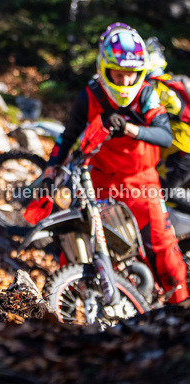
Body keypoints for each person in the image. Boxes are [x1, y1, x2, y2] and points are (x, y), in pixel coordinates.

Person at [43, 23, 188, 304]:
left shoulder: (146, 94)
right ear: (104, 68)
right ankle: (69, 307)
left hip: (142, 184)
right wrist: (51, 168)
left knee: (163, 249)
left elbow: (163, 133)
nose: (123, 83)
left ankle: (180, 310)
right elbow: (68, 135)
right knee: (77, 241)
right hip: (99, 181)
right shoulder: (90, 94)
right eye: (117, 75)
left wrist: (130, 129)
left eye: (129, 75)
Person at [145, 37, 190, 209]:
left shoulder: (153, 86)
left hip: (178, 154)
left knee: (154, 196)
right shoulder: (172, 82)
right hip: (178, 152)